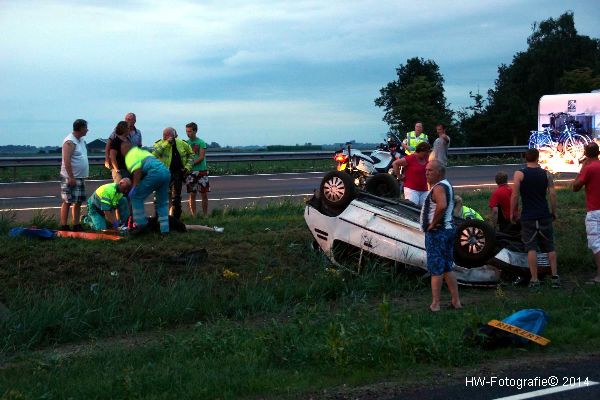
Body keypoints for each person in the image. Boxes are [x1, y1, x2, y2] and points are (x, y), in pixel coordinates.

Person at [510, 148, 559, 288]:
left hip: (528, 216)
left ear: (525, 158)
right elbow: (553, 194)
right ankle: (555, 277)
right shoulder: (546, 174)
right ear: (538, 157)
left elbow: (515, 195)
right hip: (544, 214)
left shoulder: (519, 174)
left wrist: (513, 212)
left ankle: (534, 279)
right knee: (550, 246)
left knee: (531, 247)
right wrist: (554, 211)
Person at [420, 160, 462, 312]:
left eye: (430, 170)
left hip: (438, 233)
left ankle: (435, 304)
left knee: (436, 268)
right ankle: (456, 301)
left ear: (439, 172)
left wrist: (432, 224)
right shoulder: (446, 185)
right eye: (426, 170)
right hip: (448, 230)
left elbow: (442, 205)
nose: (427, 173)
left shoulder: (438, 188)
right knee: (446, 268)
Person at [122, 142, 171, 234]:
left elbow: (137, 171)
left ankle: (141, 226)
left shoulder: (130, 156)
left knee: (136, 197)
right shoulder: (143, 152)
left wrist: (134, 187)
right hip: (166, 172)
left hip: (155, 173)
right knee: (162, 203)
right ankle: (165, 230)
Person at [572, 142, 600, 284]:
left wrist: (582, 167)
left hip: (595, 211)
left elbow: (575, 187)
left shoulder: (588, 168)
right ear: (599, 153)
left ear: (586, 153)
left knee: (596, 244)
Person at [152, 127, 194, 220]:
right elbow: (154, 154)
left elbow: (191, 155)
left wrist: (187, 167)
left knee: (176, 198)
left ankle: (175, 219)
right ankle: (158, 219)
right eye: (165, 135)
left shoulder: (182, 143)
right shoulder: (158, 143)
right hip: (162, 174)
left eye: (169, 135)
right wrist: (167, 143)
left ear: (174, 135)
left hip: (177, 173)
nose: (166, 137)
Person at [59, 118, 89, 231]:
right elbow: (66, 160)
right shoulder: (69, 142)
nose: (87, 130)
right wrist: (71, 177)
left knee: (78, 201)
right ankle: (63, 225)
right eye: (86, 127)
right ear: (81, 128)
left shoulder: (80, 140)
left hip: (79, 176)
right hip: (70, 177)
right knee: (68, 200)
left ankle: (76, 224)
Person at [393, 142, 431, 206]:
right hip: (411, 190)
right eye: (426, 152)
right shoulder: (411, 158)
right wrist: (399, 176)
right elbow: (395, 163)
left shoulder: (427, 159)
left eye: (428, 152)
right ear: (420, 151)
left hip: (424, 189)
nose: (427, 154)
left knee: (425, 209)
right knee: (413, 208)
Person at [185, 122, 210, 217]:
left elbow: (201, 157)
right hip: (191, 172)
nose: (188, 133)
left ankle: (205, 215)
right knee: (192, 194)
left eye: (190, 131)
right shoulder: (186, 143)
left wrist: (190, 164)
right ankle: (194, 215)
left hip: (201, 171)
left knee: (204, 194)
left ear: (195, 131)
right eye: (187, 131)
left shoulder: (201, 142)